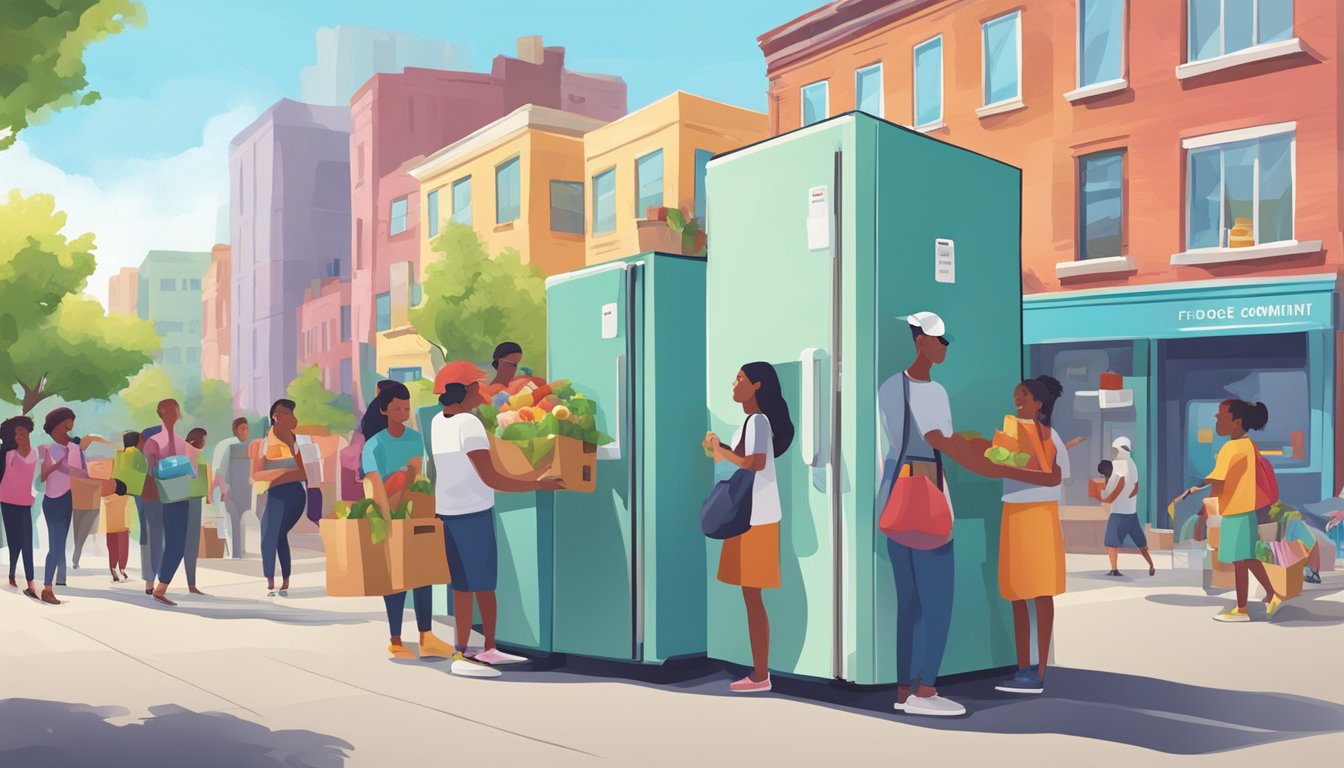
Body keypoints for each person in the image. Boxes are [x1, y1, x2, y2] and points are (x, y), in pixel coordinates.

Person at [877, 312, 1003, 716]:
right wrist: (982, 453)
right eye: (938, 339)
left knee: (908, 603)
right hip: (928, 496)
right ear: (919, 341)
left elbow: (893, 446)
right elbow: (939, 442)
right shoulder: (934, 392)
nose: (945, 346)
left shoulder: (888, 387)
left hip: (894, 499)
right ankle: (925, 691)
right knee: (937, 601)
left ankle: (903, 691)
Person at [430, 361, 561, 677]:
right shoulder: (469, 424)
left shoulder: (437, 421)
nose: (481, 391)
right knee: (485, 585)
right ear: (464, 391)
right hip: (474, 513)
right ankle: (488, 648)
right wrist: (537, 483)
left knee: (461, 586)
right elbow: (491, 477)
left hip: (447, 513)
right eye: (476, 386)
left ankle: (460, 649)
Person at [702, 362, 796, 695]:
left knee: (753, 598)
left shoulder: (758, 421)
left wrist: (721, 451)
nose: (734, 384)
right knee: (749, 596)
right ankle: (759, 672)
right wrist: (718, 450)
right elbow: (734, 464)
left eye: (740, 379)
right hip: (748, 516)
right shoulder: (749, 422)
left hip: (756, 518)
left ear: (757, 386)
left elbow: (754, 463)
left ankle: (761, 674)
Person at [360, 381, 459, 663]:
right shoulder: (374, 444)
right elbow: (376, 484)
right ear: (384, 410)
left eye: (406, 407)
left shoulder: (415, 437)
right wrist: (387, 518)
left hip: (415, 508)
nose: (403, 411)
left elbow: (418, 472)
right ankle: (395, 640)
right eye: (397, 407)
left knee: (423, 574)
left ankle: (426, 637)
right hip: (386, 511)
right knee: (394, 580)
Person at [994, 376, 1071, 696]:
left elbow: (1055, 478)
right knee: (1015, 592)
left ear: (1040, 403)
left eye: (1024, 395)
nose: (1017, 399)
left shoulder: (1052, 437)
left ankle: (1039, 671)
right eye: (1016, 394)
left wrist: (1014, 469)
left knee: (1041, 592)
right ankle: (1022, 666)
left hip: (1040, 514)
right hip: (1012, 512)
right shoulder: (1009, 433)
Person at [1178, 400, 1283, 622]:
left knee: (1240, 561)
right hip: (1245, 511)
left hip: (1236, 512)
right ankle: (1273, 594)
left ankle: (1242, 610)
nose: (1216, 418)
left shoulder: (1231, 448)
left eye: (1221, 415)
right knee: (1246, 558)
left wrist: (1202, 513)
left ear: (1236, 422)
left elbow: (1219, 482)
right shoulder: (1248, 445)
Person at [252, 399, 308, 597]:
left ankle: (279, 579)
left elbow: (303, 473)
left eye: (291, 413)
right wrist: (285, 473)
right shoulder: (265, 444)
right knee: (273, 534)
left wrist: (278, 475)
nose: (291, 417)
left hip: (294, 495)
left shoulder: (294, 442)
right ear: (276, 416)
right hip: (277, 493)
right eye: (286, 413)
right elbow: (256, 475)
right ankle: (276, 579)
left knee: (272, 534)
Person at [143, 400, 194, 607]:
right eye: (168, 409)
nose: (173, 413)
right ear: (160, 413)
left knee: (178, 543)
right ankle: (153, 583)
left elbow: (190, 470)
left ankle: (161, 587)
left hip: (179, 495)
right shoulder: (153, 442)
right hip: (158, 496)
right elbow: (150, 471)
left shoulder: (182, 443)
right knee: (156, 540)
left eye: (175, 409)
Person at [38, 408, 90, 604]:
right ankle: (47, 588)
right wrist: (57, 465)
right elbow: (42, 477)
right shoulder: (47, 449)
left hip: (67, 498)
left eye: (71, 423)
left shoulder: (75, 449)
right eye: (68, 422)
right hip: (52, 501)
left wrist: (72, 465)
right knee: (56, 545)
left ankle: (57, 580)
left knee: (59, 543)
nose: (70, 427)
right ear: (59, 425)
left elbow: (83, 474)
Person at [1101, 437, 1153, 578]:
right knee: (1140, 542)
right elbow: (1135, 488)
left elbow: (1114, 486)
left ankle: (1114, 569)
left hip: (1118, 511)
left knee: (1111, 543)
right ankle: (1151, 564)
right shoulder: (1133, 464)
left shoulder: (1119, 464)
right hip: (1131, 511)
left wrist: (1103, 492)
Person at [1, 415, 40, 600]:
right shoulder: (7, 454)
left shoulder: (34, 454)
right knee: (15, 541)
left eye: (22, 433)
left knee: (26, 542)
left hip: (25, 502)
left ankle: (31, 584)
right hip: (7, 500)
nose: (20, 436)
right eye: (16, 434)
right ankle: (11, 571)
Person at [211, 417, 253, 559]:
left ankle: (238, 552)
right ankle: (235, 553)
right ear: (235, 430)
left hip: (236, 490)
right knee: (230, 520)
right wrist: (224, 488)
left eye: (247, 428)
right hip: (227, 490)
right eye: (242, 428)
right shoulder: (231, 445)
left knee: (237, 521)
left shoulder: (243, 446)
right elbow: (219, 470)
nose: (245, 431)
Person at [181, 427, 210, 595]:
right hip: (189, 500)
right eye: (204, 441)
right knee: (190, 543)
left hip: (188, 499)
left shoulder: (186, 452)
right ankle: (191, 584)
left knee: (186, 543)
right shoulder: (191, 454)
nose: (205, 445)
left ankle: (191, 584)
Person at [137, 425, 165, 596]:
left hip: (150, 499)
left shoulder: (146, 457)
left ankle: (150, 579)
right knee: (152, 537)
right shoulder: (148, 457)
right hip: (153, 499)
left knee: (150, 537)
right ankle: (151, 579)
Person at [103, 479, 132, 582]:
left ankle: (114, 572)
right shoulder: (125, 499)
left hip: (110, 530)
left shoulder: (107, 499)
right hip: (122, 529)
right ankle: (122, 570)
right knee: (123, 552)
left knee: (112, 552)